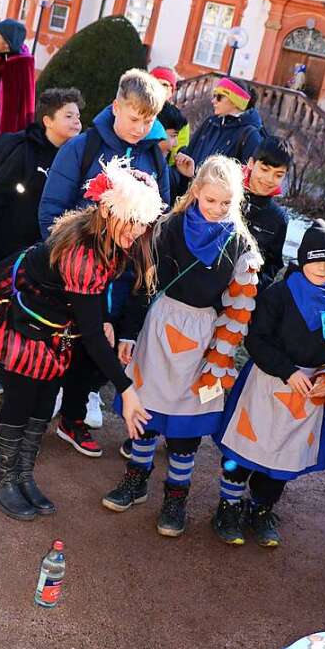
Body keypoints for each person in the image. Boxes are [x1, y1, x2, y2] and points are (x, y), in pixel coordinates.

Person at [0, 157, 164, 521]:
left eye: (141, 222)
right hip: (27, 319)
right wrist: (126, 389)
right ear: (108, 209)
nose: (135, 231)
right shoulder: (83, 251)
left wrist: (100, 317)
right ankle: (1, 479)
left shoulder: (108, 239)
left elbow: (89, 303)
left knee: (44, 401)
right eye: (130, 220)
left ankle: (22, 475)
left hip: (54, 325)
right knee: (21, 400)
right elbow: (90, 334)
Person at [102, 155, 261, 538]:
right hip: (159, 326)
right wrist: (129, 332)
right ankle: (136, 479)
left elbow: (239, 309)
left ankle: (176, 497)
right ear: (196, 194)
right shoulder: (169, 227)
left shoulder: (240, 246)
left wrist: (219, 361)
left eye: (226, 203)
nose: (218, 209)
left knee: (185, 427)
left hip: (204, 337)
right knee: (147, 411)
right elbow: (143, 280)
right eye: (211, 201)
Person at [38, 68, 169, 455]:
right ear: (115, 107)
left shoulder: (153, 159)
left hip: (122, 276)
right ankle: (37, 410)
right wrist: (68, 261)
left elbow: (154, 222)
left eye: (149, 121)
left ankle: (74, 417)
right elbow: (51, 212)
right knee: (65, 340)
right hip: (75, 272)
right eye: (134, 118)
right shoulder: (82, 148)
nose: (140, 128)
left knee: (102, 347)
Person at [213, 221, 325, 547]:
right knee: (244, 449)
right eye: (315, 260)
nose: (322, 268)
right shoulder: (279, 295)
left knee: (283, 455)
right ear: (303, 259)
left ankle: (262, 508)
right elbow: (257, 339)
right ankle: (229, 504)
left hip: (304, 398)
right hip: (266, 383)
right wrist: (287, 371)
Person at [0, 87, 84, 396]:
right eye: (69, 116)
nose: (77, 122)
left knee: (22, 303)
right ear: (48, 120)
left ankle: (9, 358)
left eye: (78, 116)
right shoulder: (23, 151)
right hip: (4, 242)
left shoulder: (71, 156)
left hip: (37, 249)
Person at [174, 77, 263, 184]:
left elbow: (249, 180)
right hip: (192, 193)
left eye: (219, 97)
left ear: (235, 101)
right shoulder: (211, 122)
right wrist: (181, 157)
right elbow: (190, 153)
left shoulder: (250, 135)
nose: (213, 101)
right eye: (214, 96)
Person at [242, 136, 292, 289]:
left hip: (240, 298)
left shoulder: (278, 219)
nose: (269, 179)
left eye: (278, 175)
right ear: (251, 163)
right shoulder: (226, 195)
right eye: (264, 169)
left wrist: (255, 286)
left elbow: (273, 263)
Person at [151, 66, 190, 163]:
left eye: (164, 84)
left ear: (172, 91)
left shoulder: (180, 120)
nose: (158, 88)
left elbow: (177, 153)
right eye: (155, 83)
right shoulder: (136, 109)